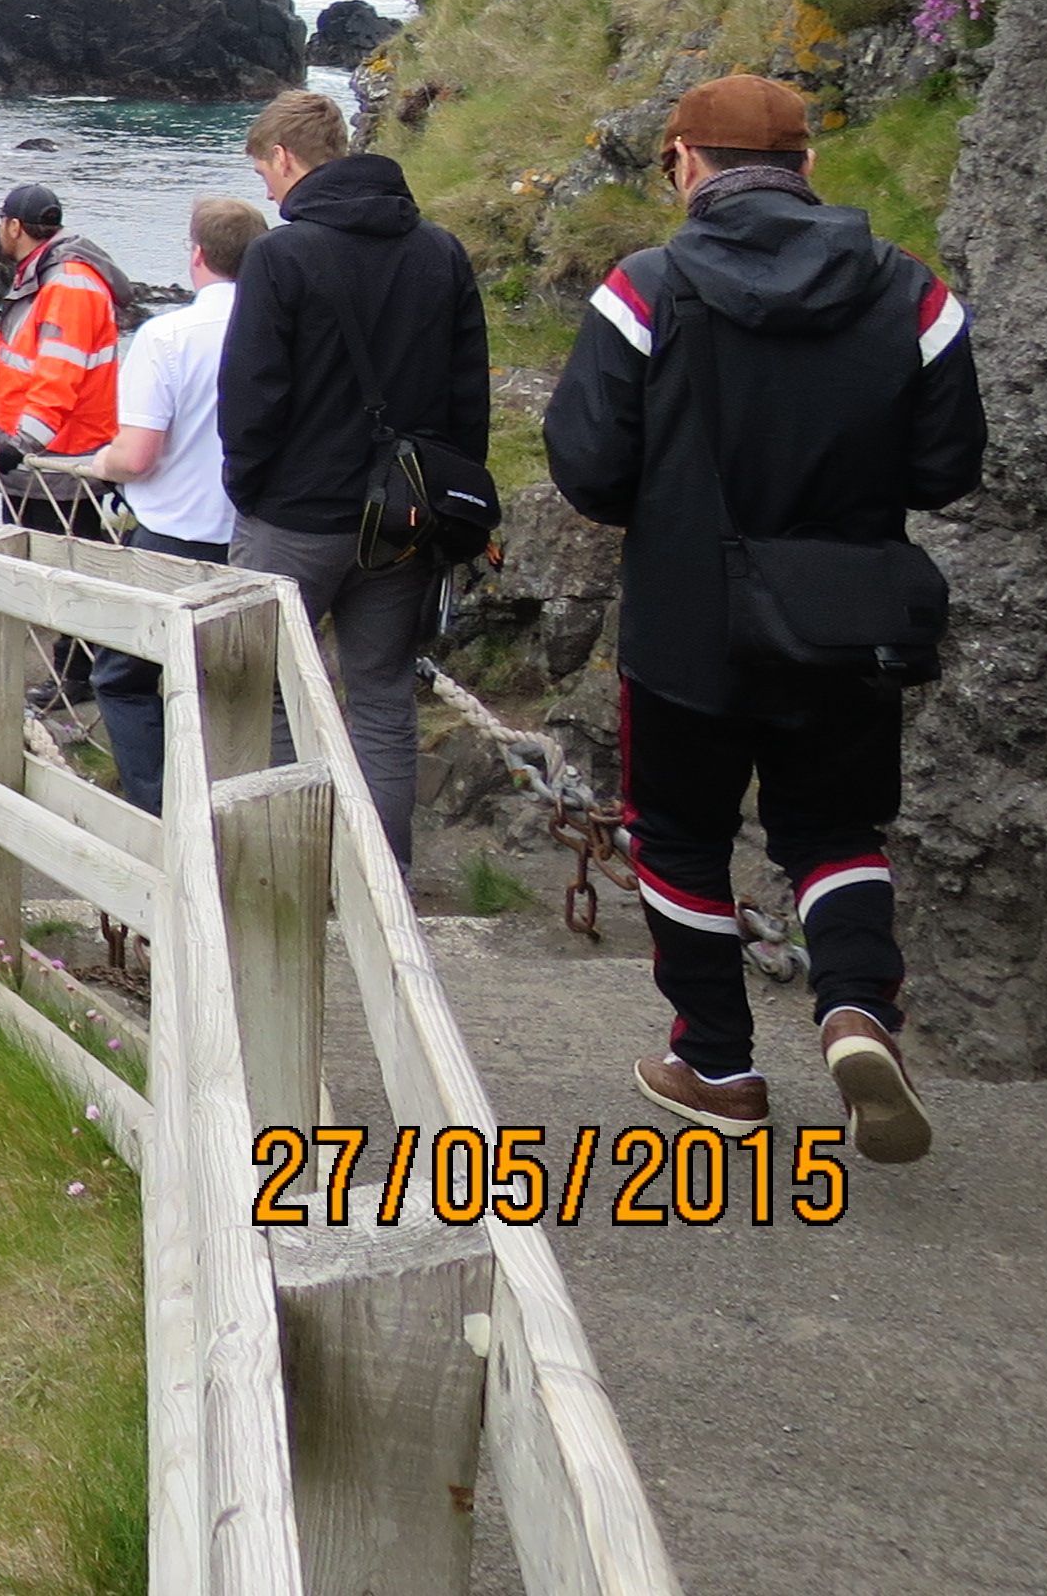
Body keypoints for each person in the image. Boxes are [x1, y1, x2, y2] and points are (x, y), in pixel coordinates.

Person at [541, 74, 982, 1162]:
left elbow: (590, 467)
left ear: (684, 163)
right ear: (807, 167)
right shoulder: (911, 296)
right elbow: (944, 470)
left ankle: (718, 1064)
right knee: (833, 830)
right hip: (849, 618)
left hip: (690, 622)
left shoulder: (645, 291)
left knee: (681, 833)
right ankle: (852, 1010)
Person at [219, 86, 489, 878]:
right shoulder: (439, 250)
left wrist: (252, 491)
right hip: (404, 518)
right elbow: (466, 393)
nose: (267, 191)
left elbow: (252, 398)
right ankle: (382, 881)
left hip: (297, 514)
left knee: (264, 690)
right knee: (380, 698)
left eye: (265, 173)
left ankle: (285, 874)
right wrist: (439, 501)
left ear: (284, 158)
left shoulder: (281, 255)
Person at [30, 196, 267, 811]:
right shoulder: (285, 329)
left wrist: (97, 464)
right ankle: (242, 807)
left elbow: (137, 457)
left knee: (126, 677)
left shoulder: (167, 337)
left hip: (173, 533)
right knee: (241, 682)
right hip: (259, 533)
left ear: (194, 254)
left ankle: (163, 813)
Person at [0, 181, 130, 537]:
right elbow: (7, 349)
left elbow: (58, 378)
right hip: (36, 470)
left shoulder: (67, 285)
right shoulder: (41, 277)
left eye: (3, 222)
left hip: (59, 473)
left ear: (15, 227)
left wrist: (20, 446)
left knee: (55, 578)